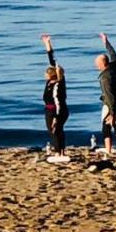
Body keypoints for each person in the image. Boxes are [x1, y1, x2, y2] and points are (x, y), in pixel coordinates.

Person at [95, 32, 116, 154]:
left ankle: (108, 149)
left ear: (102, 64)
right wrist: (106, 42)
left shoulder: (105, 78)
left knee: (106, 124)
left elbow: (109, 96)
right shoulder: (114, 67)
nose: (96, 66)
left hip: (113, 104)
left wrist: (112, 113)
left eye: (97, 64)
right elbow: (113, 54)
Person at [40, 34, 69, 163]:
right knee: (57, 131)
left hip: (57, 110)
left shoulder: (58, 84)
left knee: (54, 130)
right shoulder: (50, 83)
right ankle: (61, 151)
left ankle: (58, 153)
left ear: (51, 75)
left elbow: (58, 102)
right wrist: (47, 44)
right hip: (52, 109)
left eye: (47, 73)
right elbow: (52, 60)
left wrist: (56, 118)